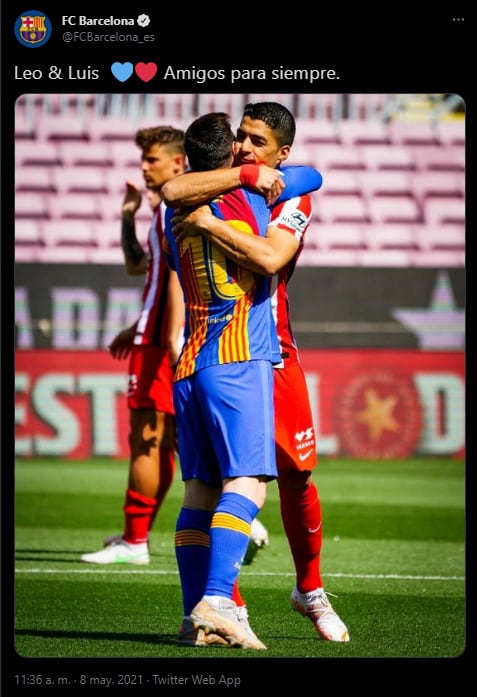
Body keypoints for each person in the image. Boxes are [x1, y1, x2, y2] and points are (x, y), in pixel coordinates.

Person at [163, 102, 350, 642]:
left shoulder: (269, 193)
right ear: (227, 151)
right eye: (240, 139)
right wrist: (248, 177)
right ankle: (222, 601)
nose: (246, 148)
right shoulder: (242, 193)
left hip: (201, 359)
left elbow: (307, 179)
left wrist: (209, 210)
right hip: (241, 353)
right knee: (246, 482)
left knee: (228, 484)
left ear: (281, 152)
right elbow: (267, 260)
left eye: (257, 142)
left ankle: (296, 591)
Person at [81, 126, 186, 565]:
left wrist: (172, 337)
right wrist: (128, 213)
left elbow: (179, 277)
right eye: (143, 160)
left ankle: (135, 540)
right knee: (168, 441)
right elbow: (140, 268)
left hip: (161, 344)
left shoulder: (175, 209)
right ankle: (136, 535)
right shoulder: (164, 211)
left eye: (153, 160)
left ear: (179, 163)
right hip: (154, 336)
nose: (144, 168)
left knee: (147, 438)